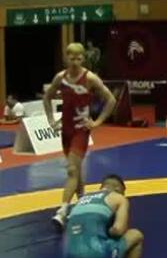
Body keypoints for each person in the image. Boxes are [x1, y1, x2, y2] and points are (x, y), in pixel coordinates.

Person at [44, 43, 118, 229]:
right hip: (66, 131)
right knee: (75, 171)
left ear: (83, 59)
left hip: (81, 130)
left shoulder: (90, 78)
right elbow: (47, 97)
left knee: (71, 170)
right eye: (72, 58)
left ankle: (62, 211)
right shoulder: (60, 78)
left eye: (79, 58)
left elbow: (111, 99)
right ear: (66, 58)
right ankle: (82, 204)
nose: (75, 62)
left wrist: (97, 122)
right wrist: (51, 119)